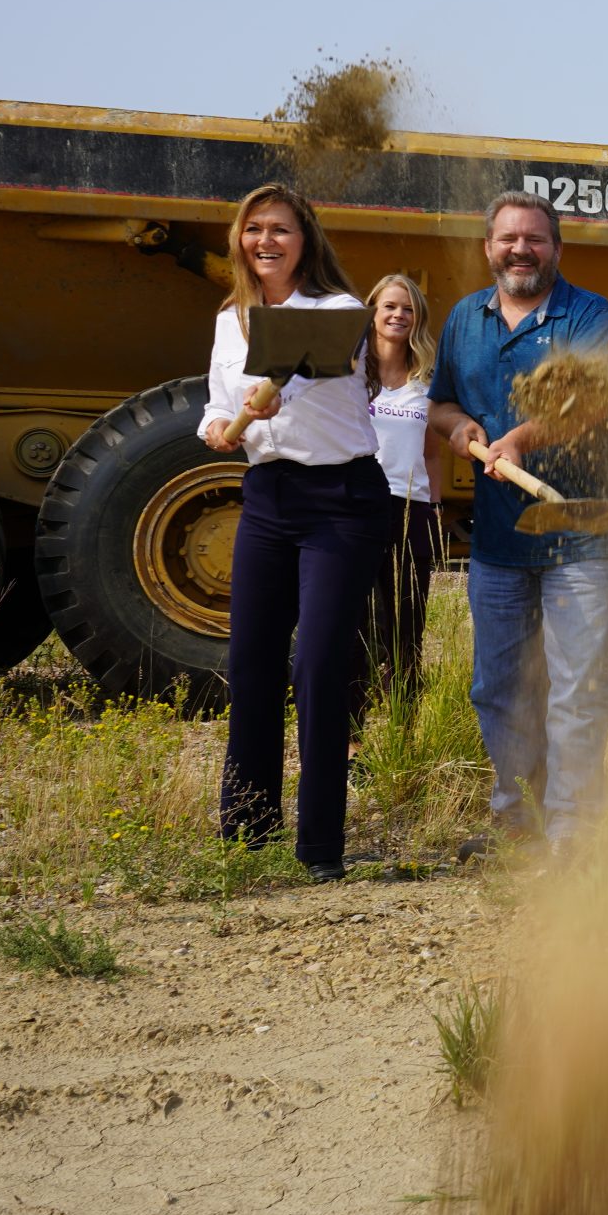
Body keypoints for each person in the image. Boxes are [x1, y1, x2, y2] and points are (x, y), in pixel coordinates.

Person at [427, 190, 608, 850]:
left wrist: (520, 438)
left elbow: (598, 401)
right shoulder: (465, 320)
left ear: (556, 250)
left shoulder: (590, 314)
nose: (521, 248)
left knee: (577, 684)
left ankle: (572, 827)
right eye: (508, 238)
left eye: (535, 238)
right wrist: (460, 428)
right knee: (498, 685)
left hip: (582, 530)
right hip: (498, 541)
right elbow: (442, 403)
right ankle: (519, 815)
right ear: (489, 247)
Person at [197, 184, 390, 882]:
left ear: (305, 238)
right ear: (240, 239)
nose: (266, 240)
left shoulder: (337, 311)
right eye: (254, 229)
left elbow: (297, 383)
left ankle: (320, 847)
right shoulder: (230, 318)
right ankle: (248, 832)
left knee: (316, 666)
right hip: (269, 495)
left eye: (280, 228)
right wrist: (216, 425)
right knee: (250, 660)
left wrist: (265, 396)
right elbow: (221, 401)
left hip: (342, 498)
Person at [352, 272, 446, 725]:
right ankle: (350, 734)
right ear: (372, 312)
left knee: (407, 627)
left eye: (408, 309)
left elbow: (432, 452)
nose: (398, 315)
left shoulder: (427, 382)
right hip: (355, 505)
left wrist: (437, 509)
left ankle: (402, 730)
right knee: (358, 626)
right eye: (389, 306)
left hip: (411, 509)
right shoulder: (349, 372)